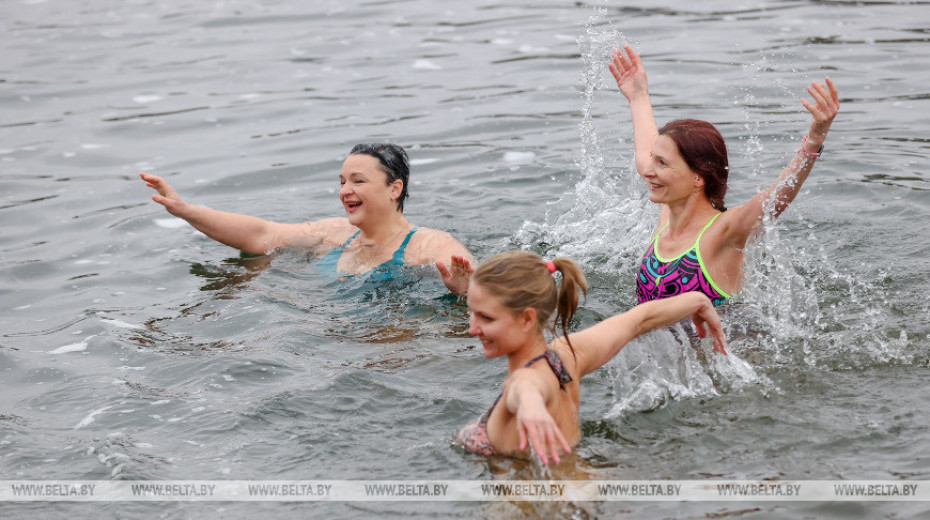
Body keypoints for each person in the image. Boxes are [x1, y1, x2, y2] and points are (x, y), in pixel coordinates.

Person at [608, 45, 840, 305]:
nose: (649, 170)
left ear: (698, 178)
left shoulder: (723, 231)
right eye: (653, 159)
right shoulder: (667, 213)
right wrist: (638, 96)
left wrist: (814, 141)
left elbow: (776, 197)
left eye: (662, 163)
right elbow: (646, 154)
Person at [455, 251, 727, 464]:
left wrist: (531, 406)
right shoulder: (566, 356)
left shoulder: (526, 379)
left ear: (527, 318)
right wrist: (697, 300)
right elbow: (637, 320)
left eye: (486, 318)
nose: (472, 328)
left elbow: (526, 389)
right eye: (472, 312)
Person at [141, 143, 475, 294]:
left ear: (394, 188)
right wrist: (186, 210)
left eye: (358, 181)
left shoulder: (431, 245)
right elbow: (262, 236)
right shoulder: (333, 233)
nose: (345, 190)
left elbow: (492, 291)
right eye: (342, 181)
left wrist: (466, 291)